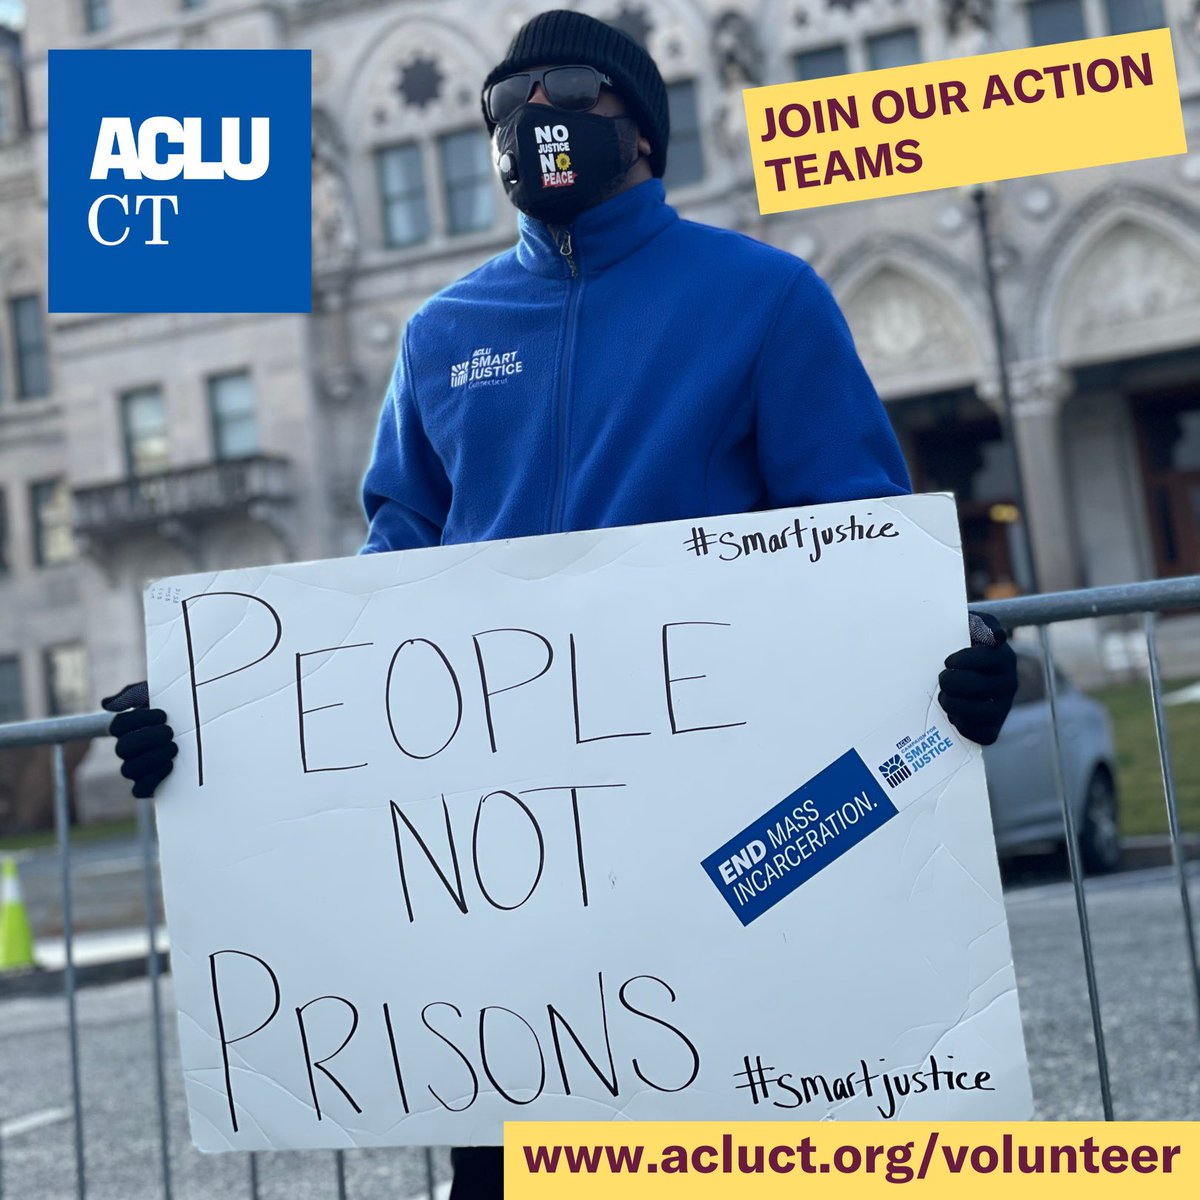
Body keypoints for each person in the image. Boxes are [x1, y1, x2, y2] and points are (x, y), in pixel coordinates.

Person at [104, 10, 1018, 1196]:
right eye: (501, 104)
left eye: (561, 90)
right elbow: (380, 604)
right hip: (512, 921)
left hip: (726, 866)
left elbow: (857, 540)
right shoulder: (440, 337)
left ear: (636, 124)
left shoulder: (767, 299)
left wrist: (953, 659)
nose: (527, 120)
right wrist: (210, 720)